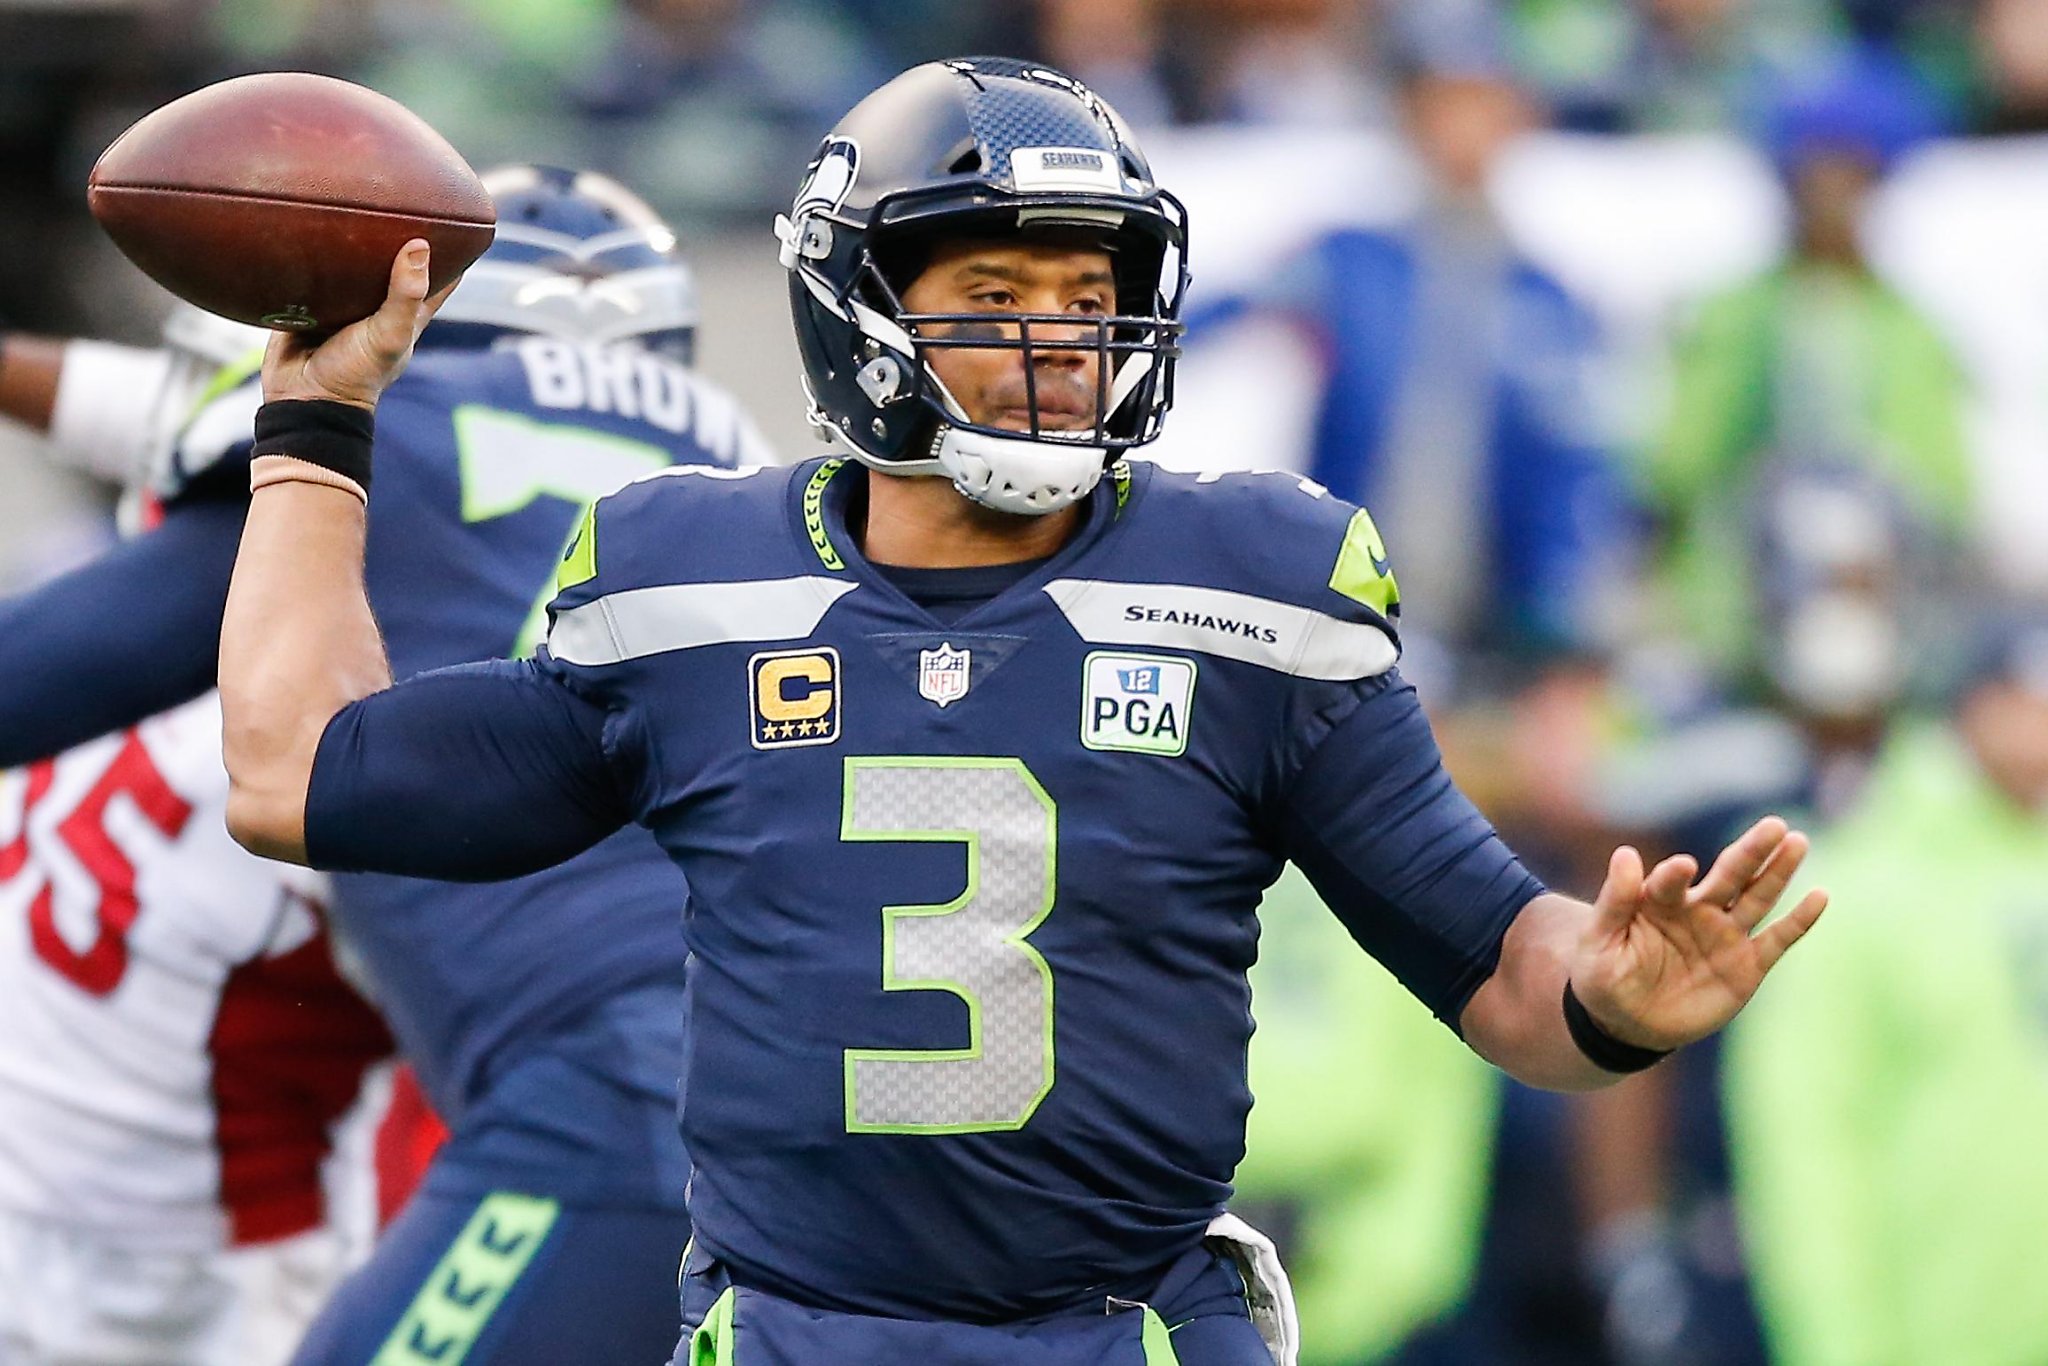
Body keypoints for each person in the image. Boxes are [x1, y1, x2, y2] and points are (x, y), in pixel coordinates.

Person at [215, 59, 1826, 1364]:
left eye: (1086, 287)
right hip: (789, 1333)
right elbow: (302, 773)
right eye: (994, 286)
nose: (1056, 336)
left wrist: (1610, 995)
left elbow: (1499, 966)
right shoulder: (684, 580)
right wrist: (314, 421)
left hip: (1123, 1333)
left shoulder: (1260, 583)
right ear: (862, 306)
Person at [0, 164, 775, 1364]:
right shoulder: (752, 486)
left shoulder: (380, 449)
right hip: (828, 1114)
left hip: (609, 1100)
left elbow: (55, 653)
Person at [1723, 610, 2048, 1366]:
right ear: (1976, 707)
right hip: (1934, 1333)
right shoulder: (1858, 882)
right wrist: (1838, 1345)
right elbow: (1806, 1150)